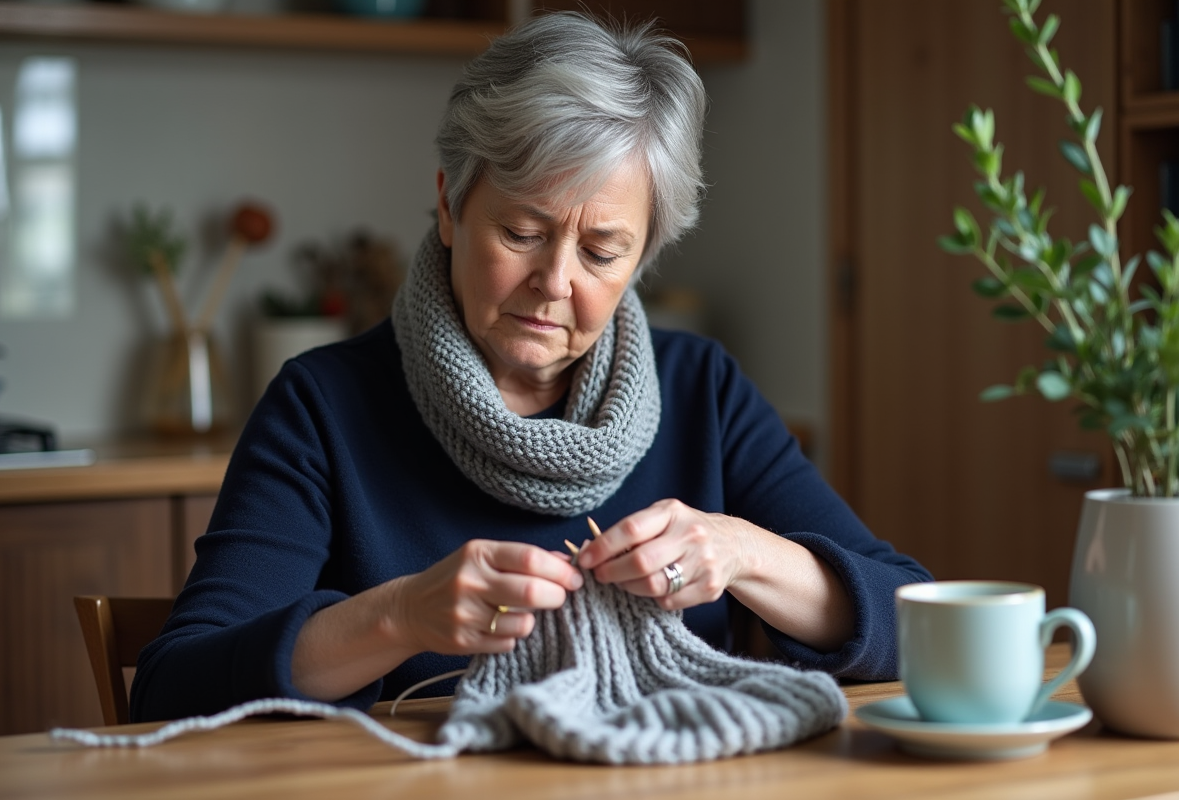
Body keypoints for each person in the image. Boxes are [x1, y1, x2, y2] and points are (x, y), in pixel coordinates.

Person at [131, 11, 931, 722]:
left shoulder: (702, 391)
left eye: (602, 252)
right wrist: (399, 616)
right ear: (450, 206)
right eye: (521, 233)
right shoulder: (323, 407)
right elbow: (173, 687)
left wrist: (743, 552)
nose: (555, 283)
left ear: (642, 257)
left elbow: (916, 625)